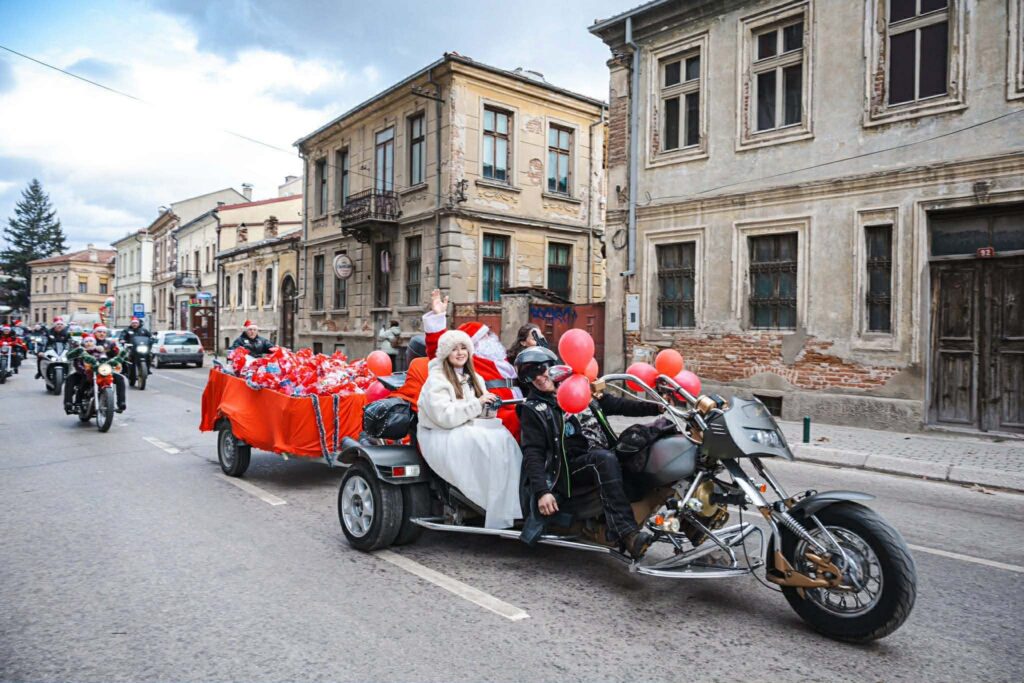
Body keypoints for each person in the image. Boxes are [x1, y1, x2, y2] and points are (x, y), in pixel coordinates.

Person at [515, 347, 665, 559]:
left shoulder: (579, 387)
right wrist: (542, 491)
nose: (539, 378)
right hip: (571, 468)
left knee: (649, 438)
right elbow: (533, 452)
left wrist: (656, 407)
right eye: (530, 376)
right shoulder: (534, 408)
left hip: (604, 454)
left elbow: (616, 404)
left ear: (553, 367)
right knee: (602, 460)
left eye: (541, 370)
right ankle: (627, 534)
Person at [417, 329, 523, 529]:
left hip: (466, 425)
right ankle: (487, 502)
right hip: (440, 433)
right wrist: (477, 404)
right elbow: (445, 417)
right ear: (446, 354)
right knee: (484, 442)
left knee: (504, 439)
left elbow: (480, 409)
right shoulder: (436, 380)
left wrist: (490, 408)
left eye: (464, 347)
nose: (460, 353)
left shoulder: (475, 378)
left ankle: (509, 504)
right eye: (454, 349)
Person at [422, 289, 524, 440]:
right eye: (484, 336)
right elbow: (438, 350)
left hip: (505, 408)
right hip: (492, 415)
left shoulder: (500, 358)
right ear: (475, 344)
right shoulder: (469, 360)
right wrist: (438, 317)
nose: (491, 337)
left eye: (489, 334)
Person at [65, 335, 127, 414]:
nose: (89, 343)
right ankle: (73, 403)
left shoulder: (101, 351)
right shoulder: (80, 351)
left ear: (94, 343)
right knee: (73, 379)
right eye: (86, 342)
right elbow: (77, 364)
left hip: (102, 372)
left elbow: (108, 360)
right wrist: (85, 371)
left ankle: (121, 403)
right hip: (86, 373)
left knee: (120, 378)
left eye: (91, 341)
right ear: (83, 343)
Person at [92, 324, 127, 412]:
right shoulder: (89, 341)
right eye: (99, 332)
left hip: (106, 369)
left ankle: (121, 403)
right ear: (95, 333)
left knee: (120, 379)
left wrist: (120, 357)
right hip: (92, 370)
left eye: (104, 332)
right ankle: (78, 401)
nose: (102, 334)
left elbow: (116, 355)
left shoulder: (110, 343)